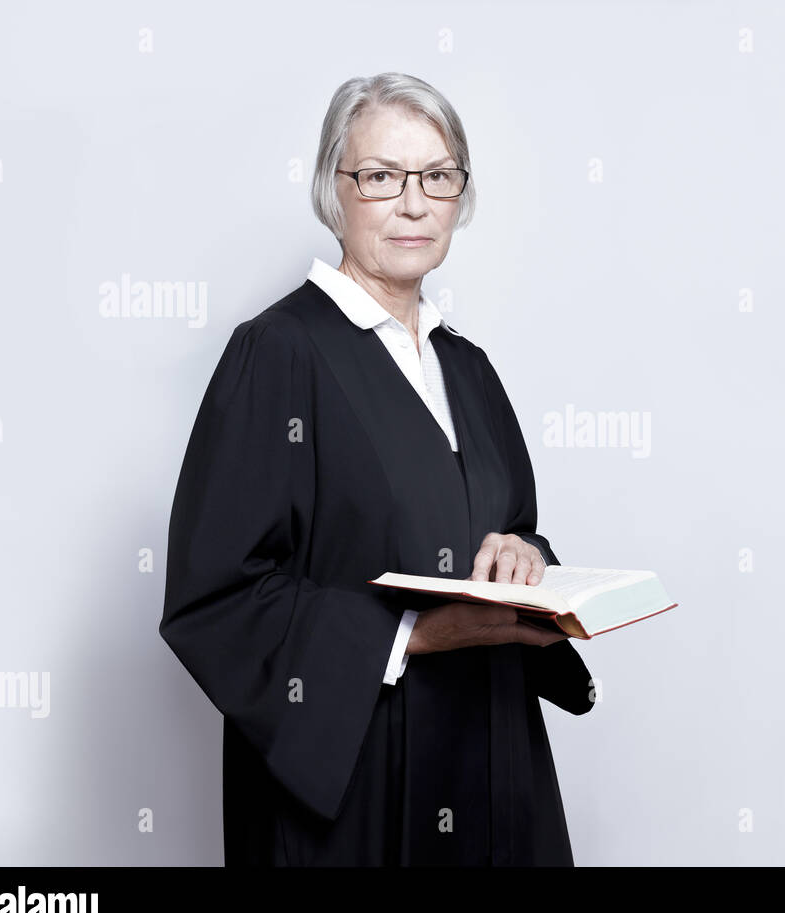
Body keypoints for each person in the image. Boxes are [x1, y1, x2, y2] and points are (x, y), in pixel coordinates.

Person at [158, 72, 594, 866]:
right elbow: (215, 596)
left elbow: (514, 527)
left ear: (462, 196)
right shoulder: (279, 353)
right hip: (358, 791)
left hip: (491, 760)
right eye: (381, 176)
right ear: (335, 191)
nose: (414, 202)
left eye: (438, 176)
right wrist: (413, 637)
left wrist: (525, 558)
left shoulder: (467, 367)